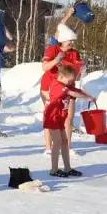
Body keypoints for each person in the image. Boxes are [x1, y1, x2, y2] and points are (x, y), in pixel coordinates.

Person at [41, 24, 85, 158]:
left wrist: (81, 68)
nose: (72, 43)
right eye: (69, 40)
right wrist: (56, 60)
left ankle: (67, 146)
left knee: (68, 117)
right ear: (63, 40)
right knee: (52, 117)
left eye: (73, 41)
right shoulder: (53, 49)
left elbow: (76, 73)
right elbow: (45, 67)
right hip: (50, 87)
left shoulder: (75, 53)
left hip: (68, 87)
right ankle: (48, 148)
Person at [44, 64, 96, 178]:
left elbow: (77, 90)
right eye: (69, 81)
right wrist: (86, 98)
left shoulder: (65, 84)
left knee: (64, 141)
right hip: (52, 117)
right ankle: (53, 169)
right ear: (61, 77)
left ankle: (67, 168)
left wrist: (90, 96)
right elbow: (72, 93)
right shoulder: (57, 85)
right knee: (57, 142)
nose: (71, 83)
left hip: (59, 118)